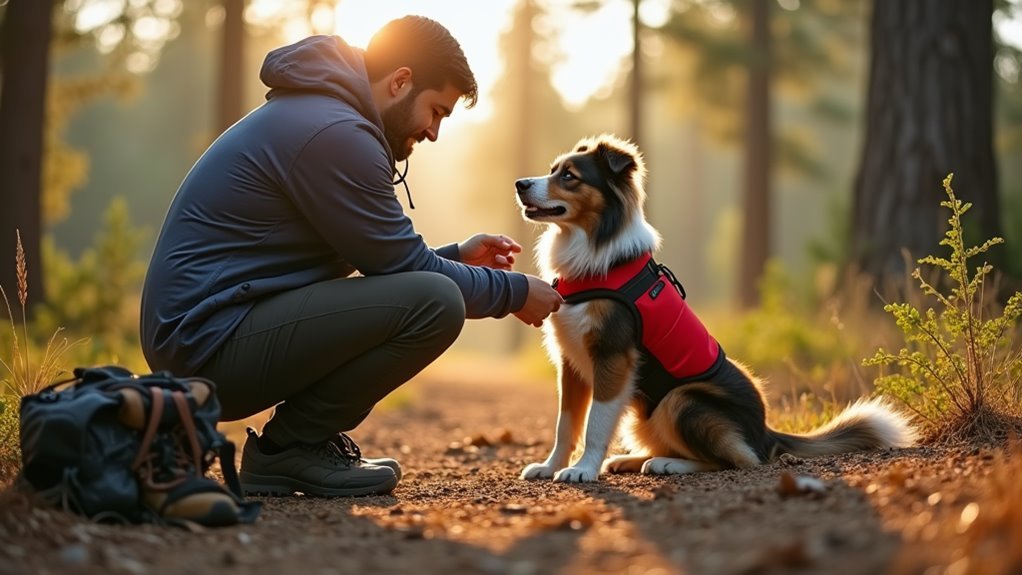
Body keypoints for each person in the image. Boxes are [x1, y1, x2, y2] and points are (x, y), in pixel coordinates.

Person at [139, 15, 562, 498]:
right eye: (437, 111)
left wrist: (458, 259)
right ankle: (290, 448)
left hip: (212, 331)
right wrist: (513, 292)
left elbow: (385, 263)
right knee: (438, 304)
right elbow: (406, 272)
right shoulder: (335, 132)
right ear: (401, 81)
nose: (434, 133)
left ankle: (294, 446)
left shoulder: (324, 117)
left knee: (434, 294)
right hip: (207, 345)